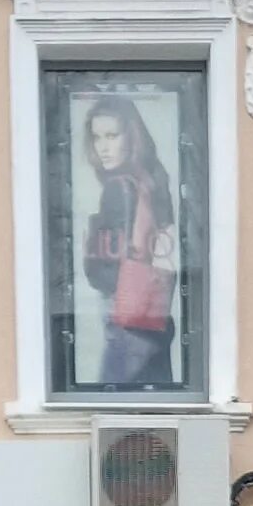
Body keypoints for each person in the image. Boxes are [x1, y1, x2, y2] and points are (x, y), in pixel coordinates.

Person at [78, 94, 176, 390]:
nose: (103, 147)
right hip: (154, 318)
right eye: (97, 138)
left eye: (112, 135)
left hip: (127, 322)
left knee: (110, 411)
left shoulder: (119, 189)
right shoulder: (152, 181)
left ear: (130, 137)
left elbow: (105, 271)